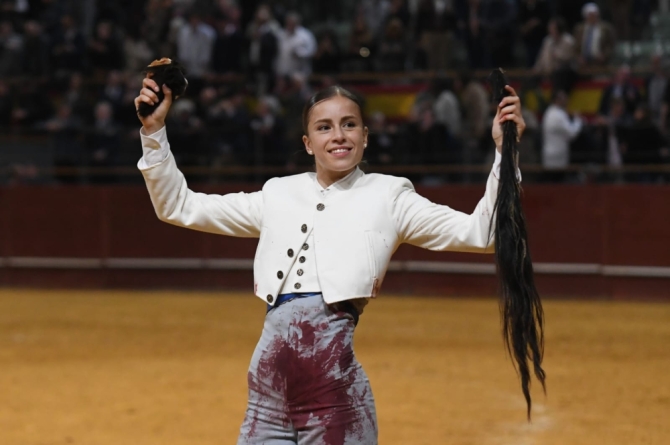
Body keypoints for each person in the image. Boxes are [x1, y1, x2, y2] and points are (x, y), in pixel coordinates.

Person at [134, 77, 525, 443]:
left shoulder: (390, 196)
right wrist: (154, 133)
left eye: (349, 124)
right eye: (324, 127)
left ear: (365, 136)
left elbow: (483, 232)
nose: (338, 135)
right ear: (307, 143)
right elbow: (178, 206)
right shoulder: (277, 194)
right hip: (267, 399)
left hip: (335, 397)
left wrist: (505, 153)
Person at [541, 90, 583, 181]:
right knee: (556, 184)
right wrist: (578, 120)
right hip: (557, 157)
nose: (566, 100)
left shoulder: (548, 112)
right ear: (557, 100)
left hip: (550, 155)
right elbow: (572, 133)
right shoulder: (558, 114)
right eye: (563, 98)